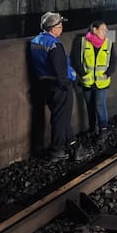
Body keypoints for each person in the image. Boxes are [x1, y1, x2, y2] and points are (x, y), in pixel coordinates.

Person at [29, 12, 87, 162]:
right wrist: (66, 84)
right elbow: (60, 68)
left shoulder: (36, 41)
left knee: (61, 117)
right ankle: (57, 150)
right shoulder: (55, 45)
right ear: (53, 29)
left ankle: (73, 145)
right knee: (60, 118)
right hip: (59, 86)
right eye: (60, 26)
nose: (61, 29)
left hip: (44, 84)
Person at [71, 20, 117, 145]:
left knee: (99, 105)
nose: (105, 32)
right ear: (94, 30)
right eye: (103, 29)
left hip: (102, 82)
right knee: (90, 106)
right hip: (87, 82)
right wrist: (84, 74)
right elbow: (75, 59)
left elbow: (113, 61)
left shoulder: (108, 43)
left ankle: (103, 130)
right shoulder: (81, 42)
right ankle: (93, 128)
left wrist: (107, 73)